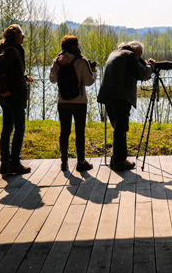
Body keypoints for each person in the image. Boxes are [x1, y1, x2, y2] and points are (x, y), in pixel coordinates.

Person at [97, 41, 155, 171]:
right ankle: (119, 161)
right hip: (120, 97)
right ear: (134, 50)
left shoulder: (116, 53)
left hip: (108, 96)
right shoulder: (129, 56)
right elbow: (143, 73)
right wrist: (150, 66)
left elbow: (131, 71)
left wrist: (142, 65)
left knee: (118, 128)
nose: (138, 58)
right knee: (121, 129)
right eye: (139, 55)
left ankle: (116, 159)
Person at [0, 24, 33, 175]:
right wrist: (4, 89)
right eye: (21, 33)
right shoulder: (11, 51)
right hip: (13, 96)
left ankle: (5, 164)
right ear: (15, 36)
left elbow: (9, 72)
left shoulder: (11, 50)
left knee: (7, 129)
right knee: (19, 129)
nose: (24, 36)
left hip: (9, 96)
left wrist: (23, 77)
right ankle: (15, 163)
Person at [49, 35, 97, 172]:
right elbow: (88, 82)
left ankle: (64, 162)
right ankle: (81, 162)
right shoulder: (82, 61)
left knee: (64, 131)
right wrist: (94, 73)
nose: (79, 47)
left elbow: (52, 79)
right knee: (79, 132)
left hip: (62, 101)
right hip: (79, 101)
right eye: (78, 44)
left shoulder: (58, 60)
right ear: (74, 46)